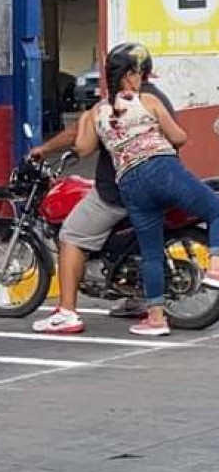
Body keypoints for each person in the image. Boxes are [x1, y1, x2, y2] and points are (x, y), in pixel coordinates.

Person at [73, 42, 219, 336]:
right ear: (129, 75)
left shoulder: (96, 112)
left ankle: (156, 319)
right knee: (215, 209)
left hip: (129, 184)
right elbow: (179, 138)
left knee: (151, 252)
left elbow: (83, 148)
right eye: (139, 73)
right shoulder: (148, 101)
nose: (142, 78)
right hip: (161, 171)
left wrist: (85, 120)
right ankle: (215, 267)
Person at [31, 43, 177, 334]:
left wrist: (43, 149)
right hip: (162, 183)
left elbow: (81, 141)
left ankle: (67, 312)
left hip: (119, 190)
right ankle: (138, 298)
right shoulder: (157, 98)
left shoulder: (119, 102)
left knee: (71, 235)